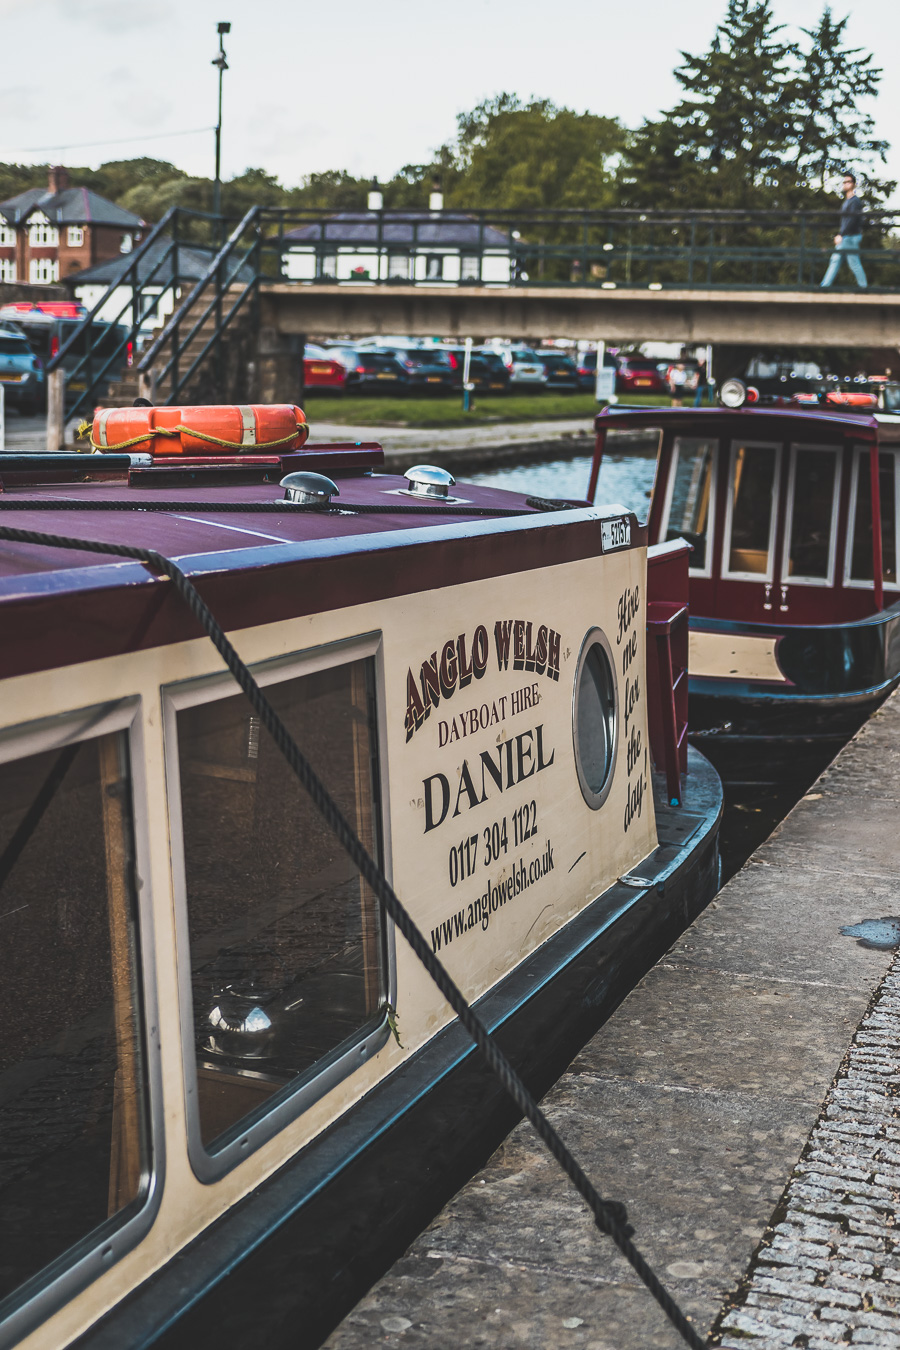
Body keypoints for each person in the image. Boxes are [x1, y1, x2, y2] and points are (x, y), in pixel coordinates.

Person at [820, 173, 867, 289]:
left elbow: (852, 220)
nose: (846, 184)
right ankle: (863, 287)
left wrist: (841, 234)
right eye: (844, 182)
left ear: (854, 184)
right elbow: (845, 221)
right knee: (841, 261)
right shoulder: (847, 201)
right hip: (847, 237)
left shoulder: (855, 201)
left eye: (848, 181)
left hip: (850, 237)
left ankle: (825, 286)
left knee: (847, 262)